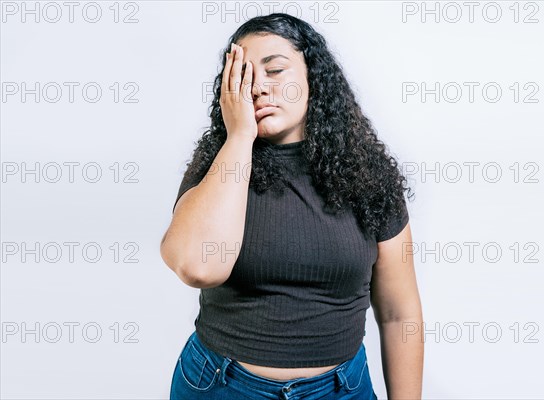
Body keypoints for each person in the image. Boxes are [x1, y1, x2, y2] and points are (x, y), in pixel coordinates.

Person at [160, 13, 424, 400]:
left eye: (275, 71)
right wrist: (239, 138)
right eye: (245, 80)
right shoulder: (217, 166)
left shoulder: (368, 174)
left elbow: (401, 315)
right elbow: (199, 267)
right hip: (222, 386)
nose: (259, 89)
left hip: (341, 390)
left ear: (312, 77)